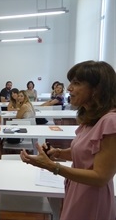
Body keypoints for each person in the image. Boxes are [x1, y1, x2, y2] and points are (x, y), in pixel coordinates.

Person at [20, 61, 116, 220]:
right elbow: (85, 153)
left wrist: (53, 167)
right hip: (78, 189)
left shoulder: (110, 122)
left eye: (76, 83)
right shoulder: (92, 120)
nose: (69, 88)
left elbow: (101, 177)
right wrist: (57, 153)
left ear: (97, 89)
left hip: (92, 197)